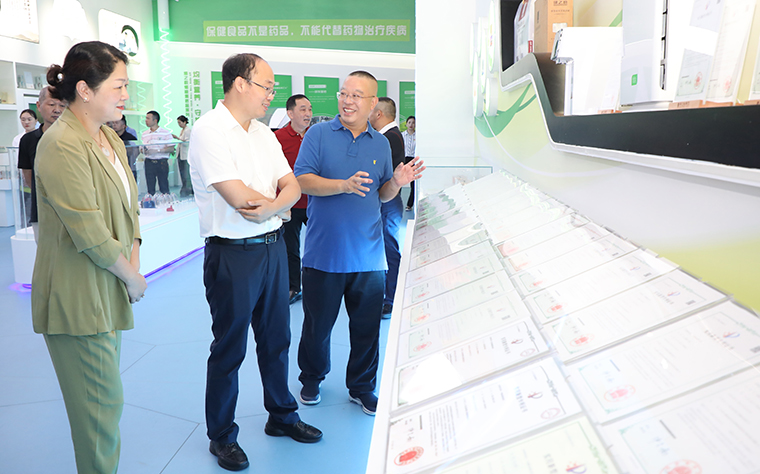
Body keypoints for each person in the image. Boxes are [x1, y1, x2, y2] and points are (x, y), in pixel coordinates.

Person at [189, 53, 322, 472]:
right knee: (230, 347)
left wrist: (271, 207)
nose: (271, 95)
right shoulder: (209, 131)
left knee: (276, 338)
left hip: (273, 248)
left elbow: (292, 186)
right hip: (232, 254)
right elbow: (237, 197)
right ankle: (222, 435)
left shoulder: (264, 134)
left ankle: (281, 415)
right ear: (240, 84)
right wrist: (277, 204)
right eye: (266, 86)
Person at [32, 41, 147, 474]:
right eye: (118, 86)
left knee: (104, 405)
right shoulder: (61, 144)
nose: (125, 95)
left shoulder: (108, 138)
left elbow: (129, 208)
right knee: (99, 411)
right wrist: (131, 276)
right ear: (84, 89)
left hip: (107, 287)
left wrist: (133, 257)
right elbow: (87, 227)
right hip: (77, 296)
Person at [294, 71, 424, 416]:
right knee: (317, 327)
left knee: (366, 330)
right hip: (323, 253)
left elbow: (382, 195)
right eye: (344, 94)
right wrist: (342, 185)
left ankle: (363, 387)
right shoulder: (319, 134)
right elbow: (302, 180)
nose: (348, 101)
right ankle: (312, 378)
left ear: (372, 104)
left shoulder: (380, 144)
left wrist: (397, 182)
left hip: (369, 256)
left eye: (356, 95)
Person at [369, 97, 406, 319]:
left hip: (388, 202)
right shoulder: (391, 136)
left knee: (389, 250)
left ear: (379, 114)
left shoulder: (389, 138)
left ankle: (390, 299)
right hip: (387, 202)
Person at [274, 94, 312, 305]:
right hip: (290, 204)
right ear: (290, 113)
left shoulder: (315, 136)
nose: (308, 114)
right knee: (290, 248)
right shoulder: (277, 138)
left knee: (319, 245)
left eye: (310, 109)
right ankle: (293, 287)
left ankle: (320, 284)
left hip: (315, 202)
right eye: (303, 109)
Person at [17, 87, 66, 240]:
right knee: (46, 251)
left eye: (62, 105)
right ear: (39, 105)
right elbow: (28, 176)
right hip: (41, 211)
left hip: (73, 210)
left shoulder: (74, 138)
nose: (57, 110)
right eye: (51, 104)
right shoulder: (28, 140)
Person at [141, 110, 174, 195]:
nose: (146, 120)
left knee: (163, 185)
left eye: (148, 118)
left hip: (161, 161)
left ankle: (166, 201)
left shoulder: (165, 133)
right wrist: (144, 150)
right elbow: (141, 149)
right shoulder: (144, 134)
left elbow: (171, 148)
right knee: (150, 186)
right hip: (149, 162)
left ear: (155, 120)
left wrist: (158, 151)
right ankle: (151, 200)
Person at [106, 114, 139, 180]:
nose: (114, 125)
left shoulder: (130, 137)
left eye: (117, 123)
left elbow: (134, 152)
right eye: (113, 123)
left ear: (123, 125)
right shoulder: (111, 136)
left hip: (129, 165)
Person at [172, 115, 193, 196]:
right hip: (180, 154)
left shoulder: (188, 130)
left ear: (184, 122)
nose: (179, 124)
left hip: (185, 155)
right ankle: (185, 188)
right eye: (178, 123)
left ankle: (188, 189)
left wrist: (178, 138)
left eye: (180, 122)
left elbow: (187, 142)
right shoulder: (182, 130)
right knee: (182, 173)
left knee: (185, 173)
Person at [402, 115, 416, 210]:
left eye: (413, 122)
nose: (411, 124)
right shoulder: (402, 135)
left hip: (414, 160)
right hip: (404, 159)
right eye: (409, 122)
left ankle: (409, 205)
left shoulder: (418, 136)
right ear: (406, 124)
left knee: (413, 184)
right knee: (399, 182)